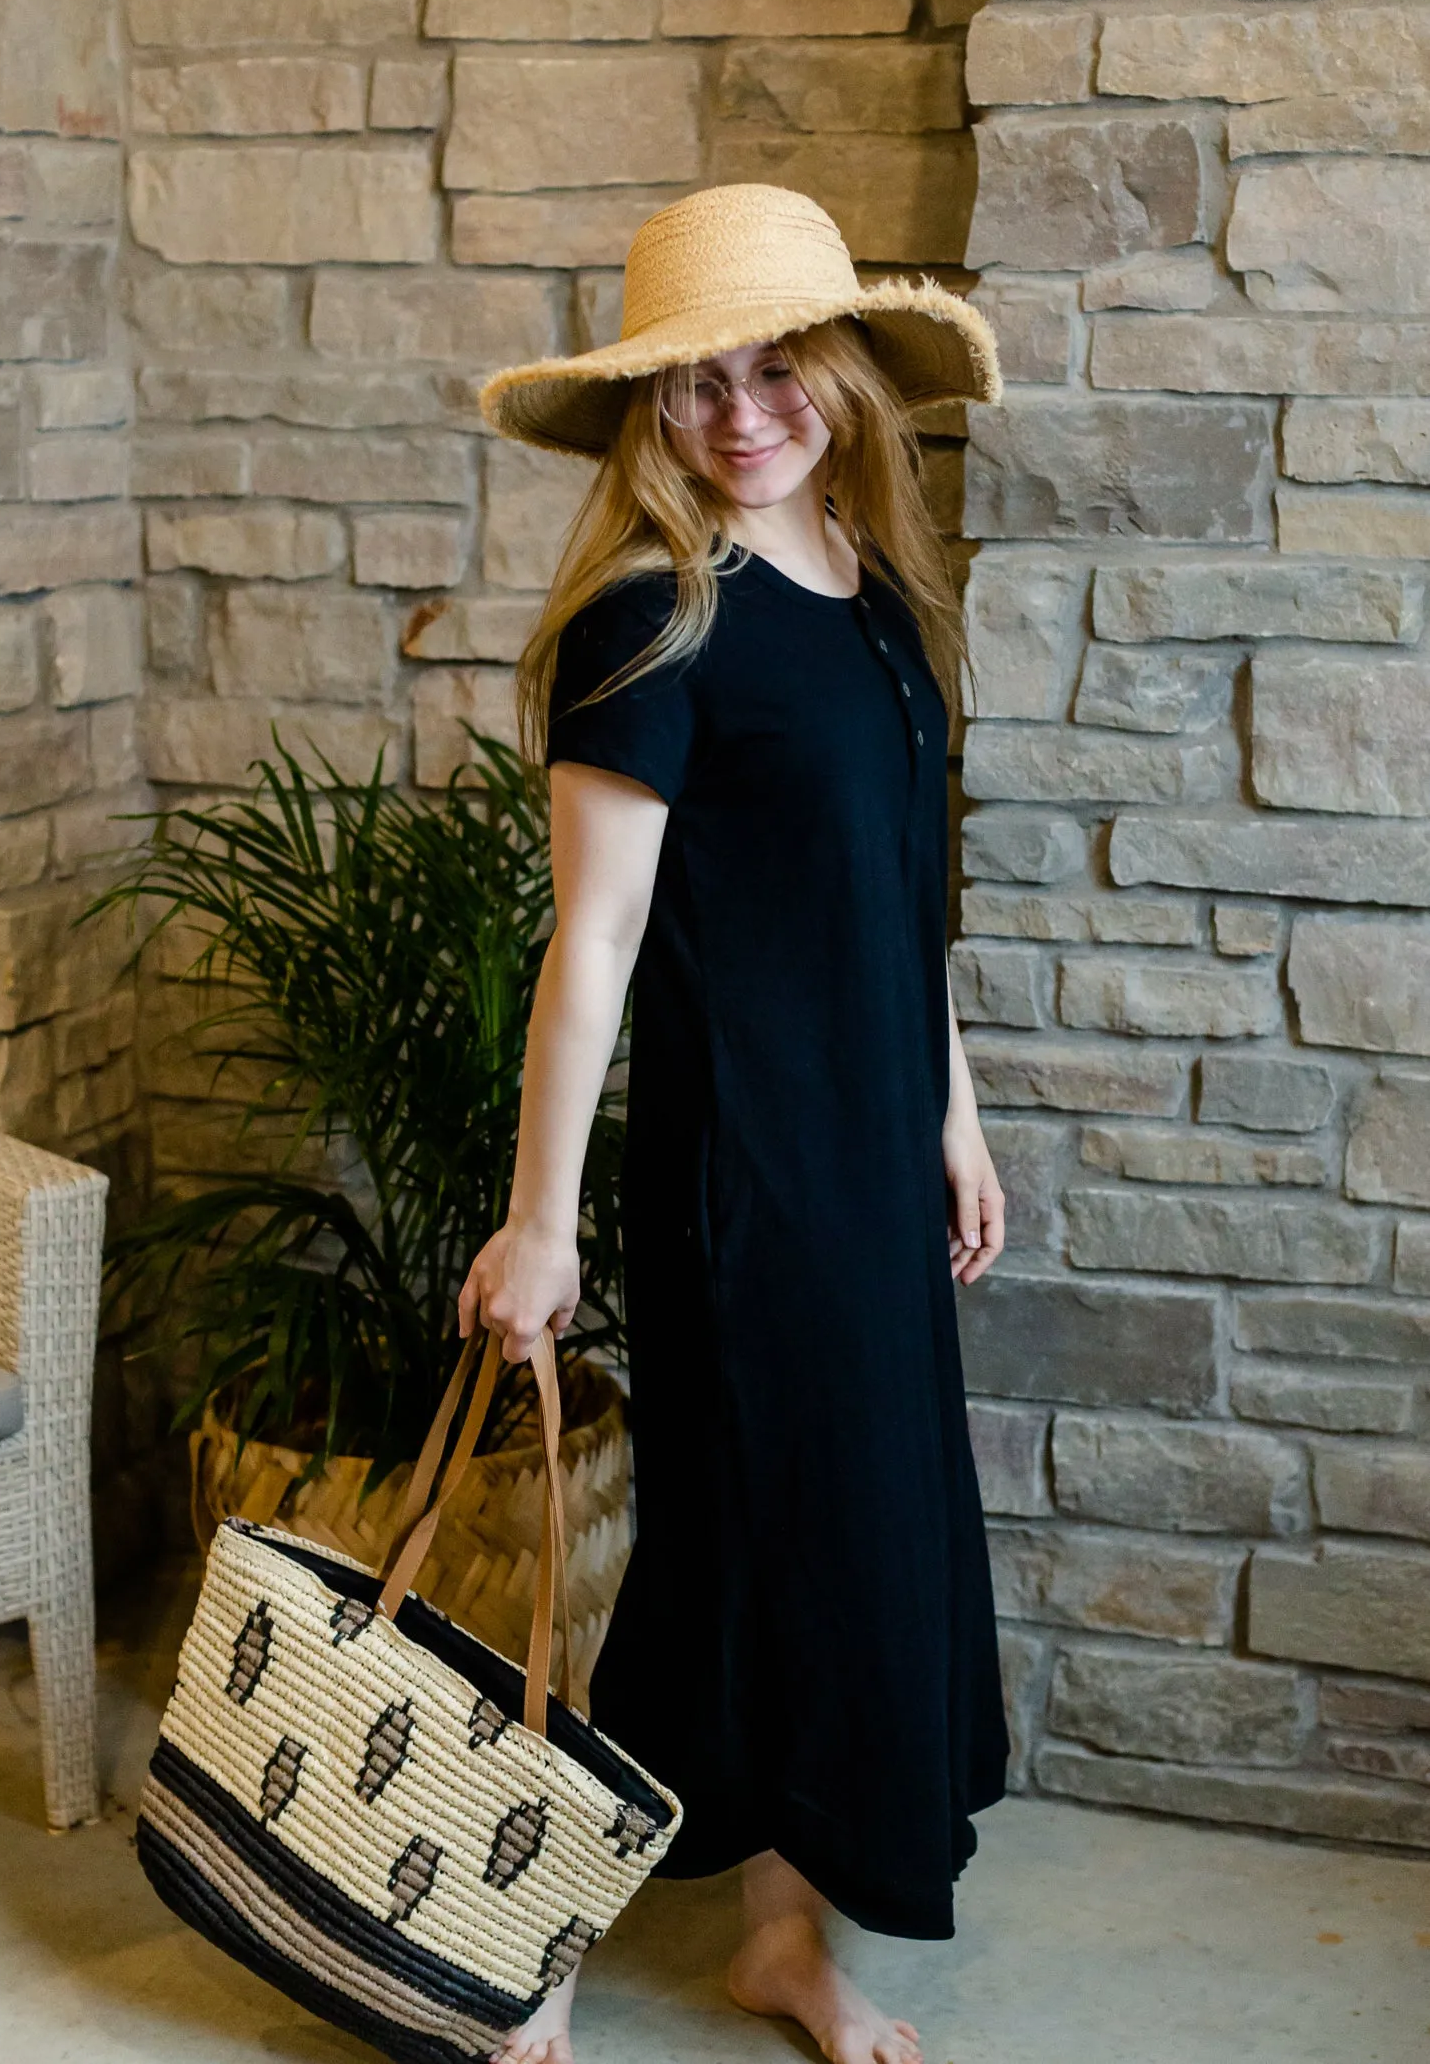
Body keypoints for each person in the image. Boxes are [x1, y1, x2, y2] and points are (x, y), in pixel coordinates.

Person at [458, 183, 1010, 2064]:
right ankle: (519, 1939)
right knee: (724, 1564)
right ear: (646, 412)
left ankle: (780, 1937)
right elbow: (592, 948)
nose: (742, 409)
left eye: (780, 367)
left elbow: (899, 903)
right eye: (695, 384)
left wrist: (961, 1120)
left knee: (841, 1552)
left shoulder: (878, 600)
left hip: (871, 1165)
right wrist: (545, 1225)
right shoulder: (650, 615)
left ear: (847, 379)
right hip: (745, 1182)